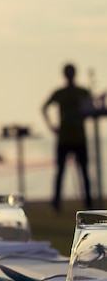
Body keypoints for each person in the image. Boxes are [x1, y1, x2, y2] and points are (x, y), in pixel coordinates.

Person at [42, 62, 93, 212]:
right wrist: (51, 126)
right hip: (64, 138)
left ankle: (88, 204)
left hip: (79, 137)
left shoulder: (82, 91)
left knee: (84, 172)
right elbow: (45, 107)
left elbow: (89, 108)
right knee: (60, 172)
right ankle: (56, 204)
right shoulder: (60, 93)